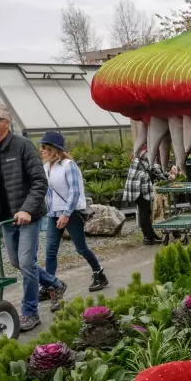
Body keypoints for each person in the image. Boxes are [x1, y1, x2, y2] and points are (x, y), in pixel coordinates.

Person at [0, 102, 64, 332]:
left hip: (29, 217)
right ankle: (55, 284)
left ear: (6, 123)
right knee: (17, 262)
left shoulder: (23, 146)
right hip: (5, 219)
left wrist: (26, 209)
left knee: (26, 263)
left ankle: (30, 312)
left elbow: (39, 182)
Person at [39, 131, 107, 309]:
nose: (41, 150)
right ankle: (51, 286)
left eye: (45, 147)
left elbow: (74, 192)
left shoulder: (69, 166)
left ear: (54, 149)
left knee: (81, 248)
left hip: (71, 213)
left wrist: (66, 213)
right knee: (50, 251)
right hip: (53, 213)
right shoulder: (46, 167)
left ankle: (99, 273)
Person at [122, 143, 161, 245]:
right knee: (144, 212)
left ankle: (150, 235)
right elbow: (156, 168)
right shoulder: (145, 153)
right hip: (139, 187)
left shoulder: (138, 152)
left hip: (135, 187)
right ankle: (148, 237)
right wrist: (169, 177)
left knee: (144, 211)